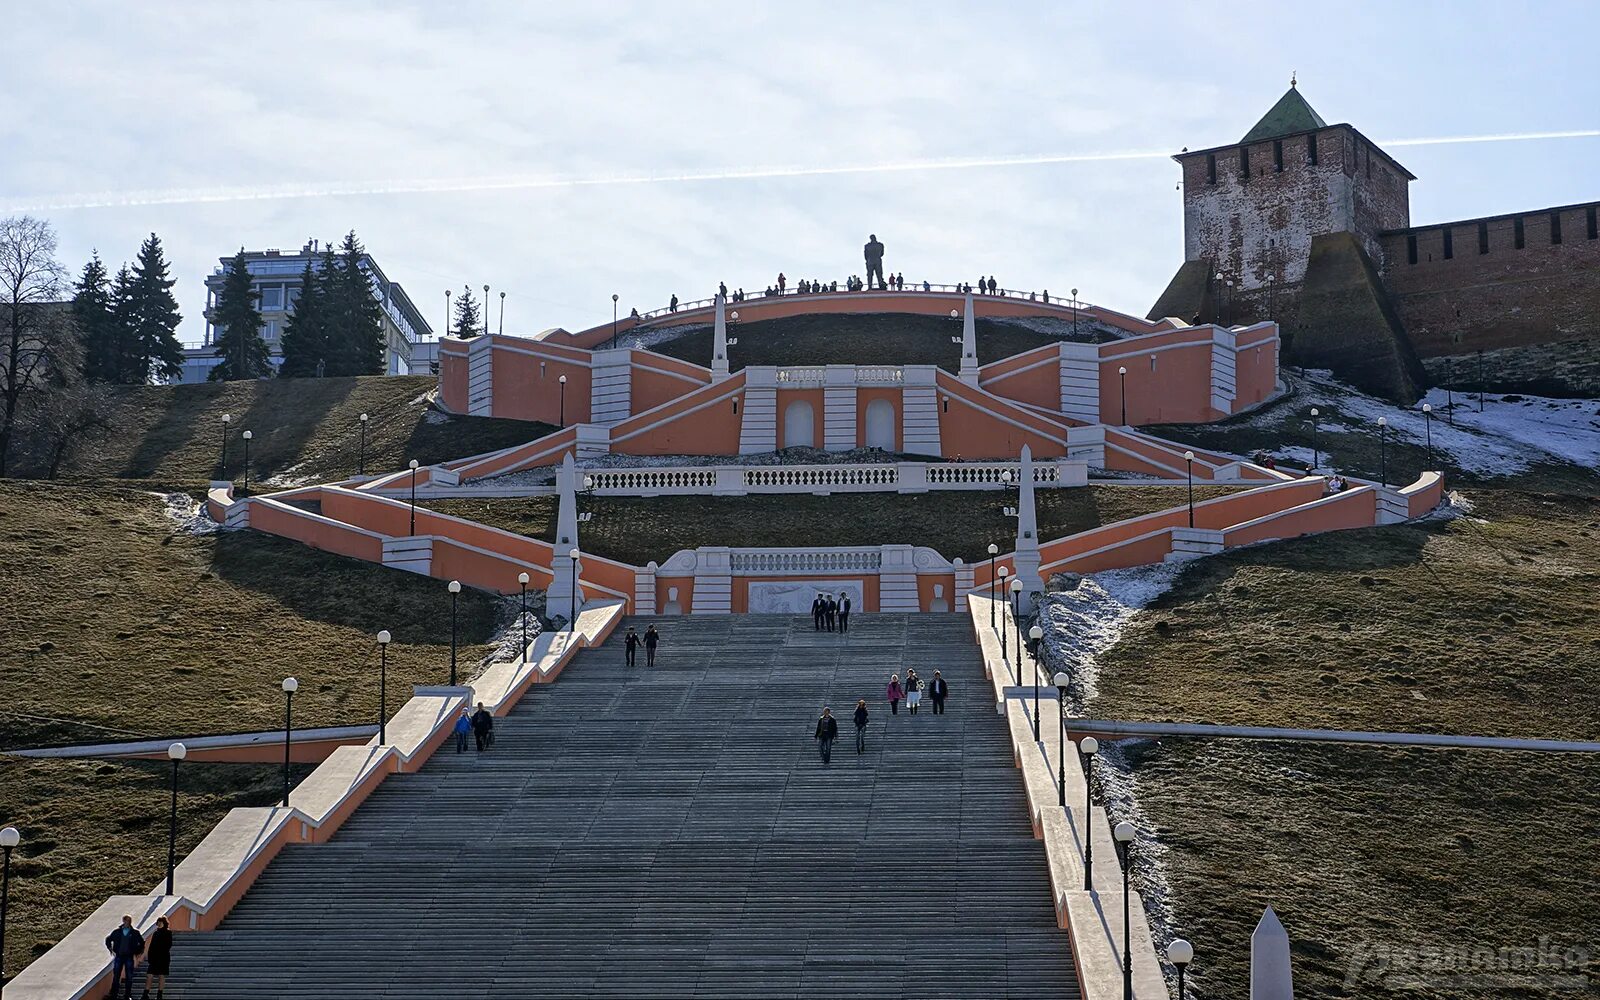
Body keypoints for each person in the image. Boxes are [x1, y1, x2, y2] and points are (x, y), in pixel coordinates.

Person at [105, 915, 145, 1000]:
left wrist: (138, 952)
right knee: (116, 976)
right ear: (123, 921)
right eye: (126, 920)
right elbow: (108, 939)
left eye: (129, 921)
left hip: (129, 956)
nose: (128, 922)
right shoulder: (117, 932)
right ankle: (114, 994)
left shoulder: (134, 932)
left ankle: (127, 995)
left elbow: (142, 942)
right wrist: (110, 949)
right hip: (119, 956)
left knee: (129, 976)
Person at [141, 915, 173, 1000]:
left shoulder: (168, 933)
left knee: (161, 976)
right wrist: (150, 956)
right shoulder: (156, 932)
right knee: (149, 975)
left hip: (163, 958)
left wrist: (161, 954)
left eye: (160, 922)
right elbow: (151, 945)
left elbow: (168, 945)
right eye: (158, 922)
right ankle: (145, 994)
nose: (158, 924)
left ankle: (159, 995)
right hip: (154, 958)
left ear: (164, 923)